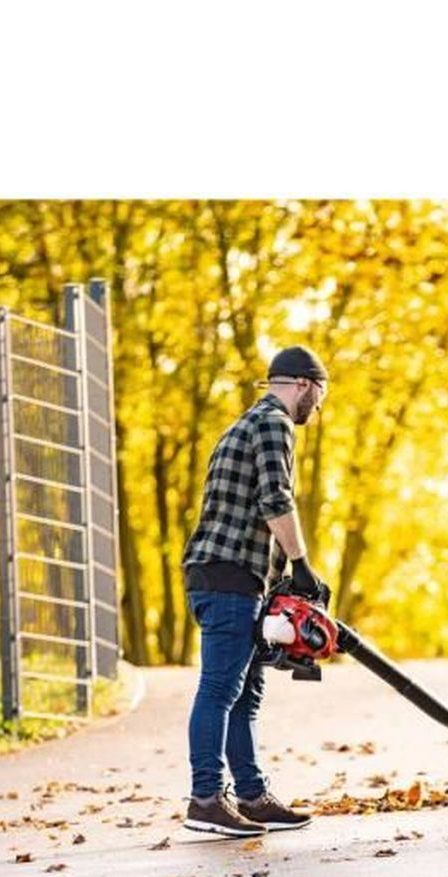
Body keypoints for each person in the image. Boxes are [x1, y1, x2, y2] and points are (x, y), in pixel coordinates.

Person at [180, 346, 331, 838]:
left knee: (245, 693)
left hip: (233, 573)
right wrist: (302, 565)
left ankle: (250, 796)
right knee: (221, 688)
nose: (318, 408)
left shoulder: (243, 423)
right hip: (227, 575)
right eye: (320, 396)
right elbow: (275, 498)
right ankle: (205, 798)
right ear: (305, 385)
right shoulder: (273, 423)